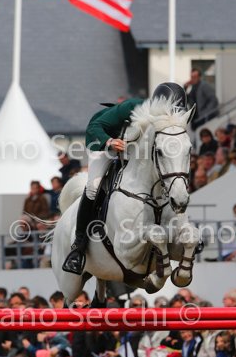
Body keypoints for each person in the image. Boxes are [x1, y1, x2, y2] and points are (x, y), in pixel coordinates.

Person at [62, 82, 189, 276]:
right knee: (93, 187)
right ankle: (78, 247)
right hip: (105, 143)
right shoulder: (132, 107)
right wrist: (109, 141)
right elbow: (95, 127)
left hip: (134, 152)